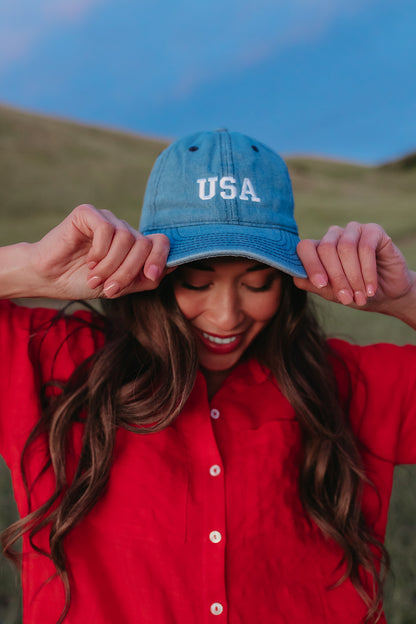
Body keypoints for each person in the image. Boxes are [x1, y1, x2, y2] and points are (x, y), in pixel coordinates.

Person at [0, 129, 415, 624]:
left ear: (287, 283)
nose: (226, 317)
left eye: (258, 283)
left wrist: (405, 296)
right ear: (152, 275)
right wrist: (28, 267)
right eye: (196, 283)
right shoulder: (59, 362)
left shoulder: (348, 383)